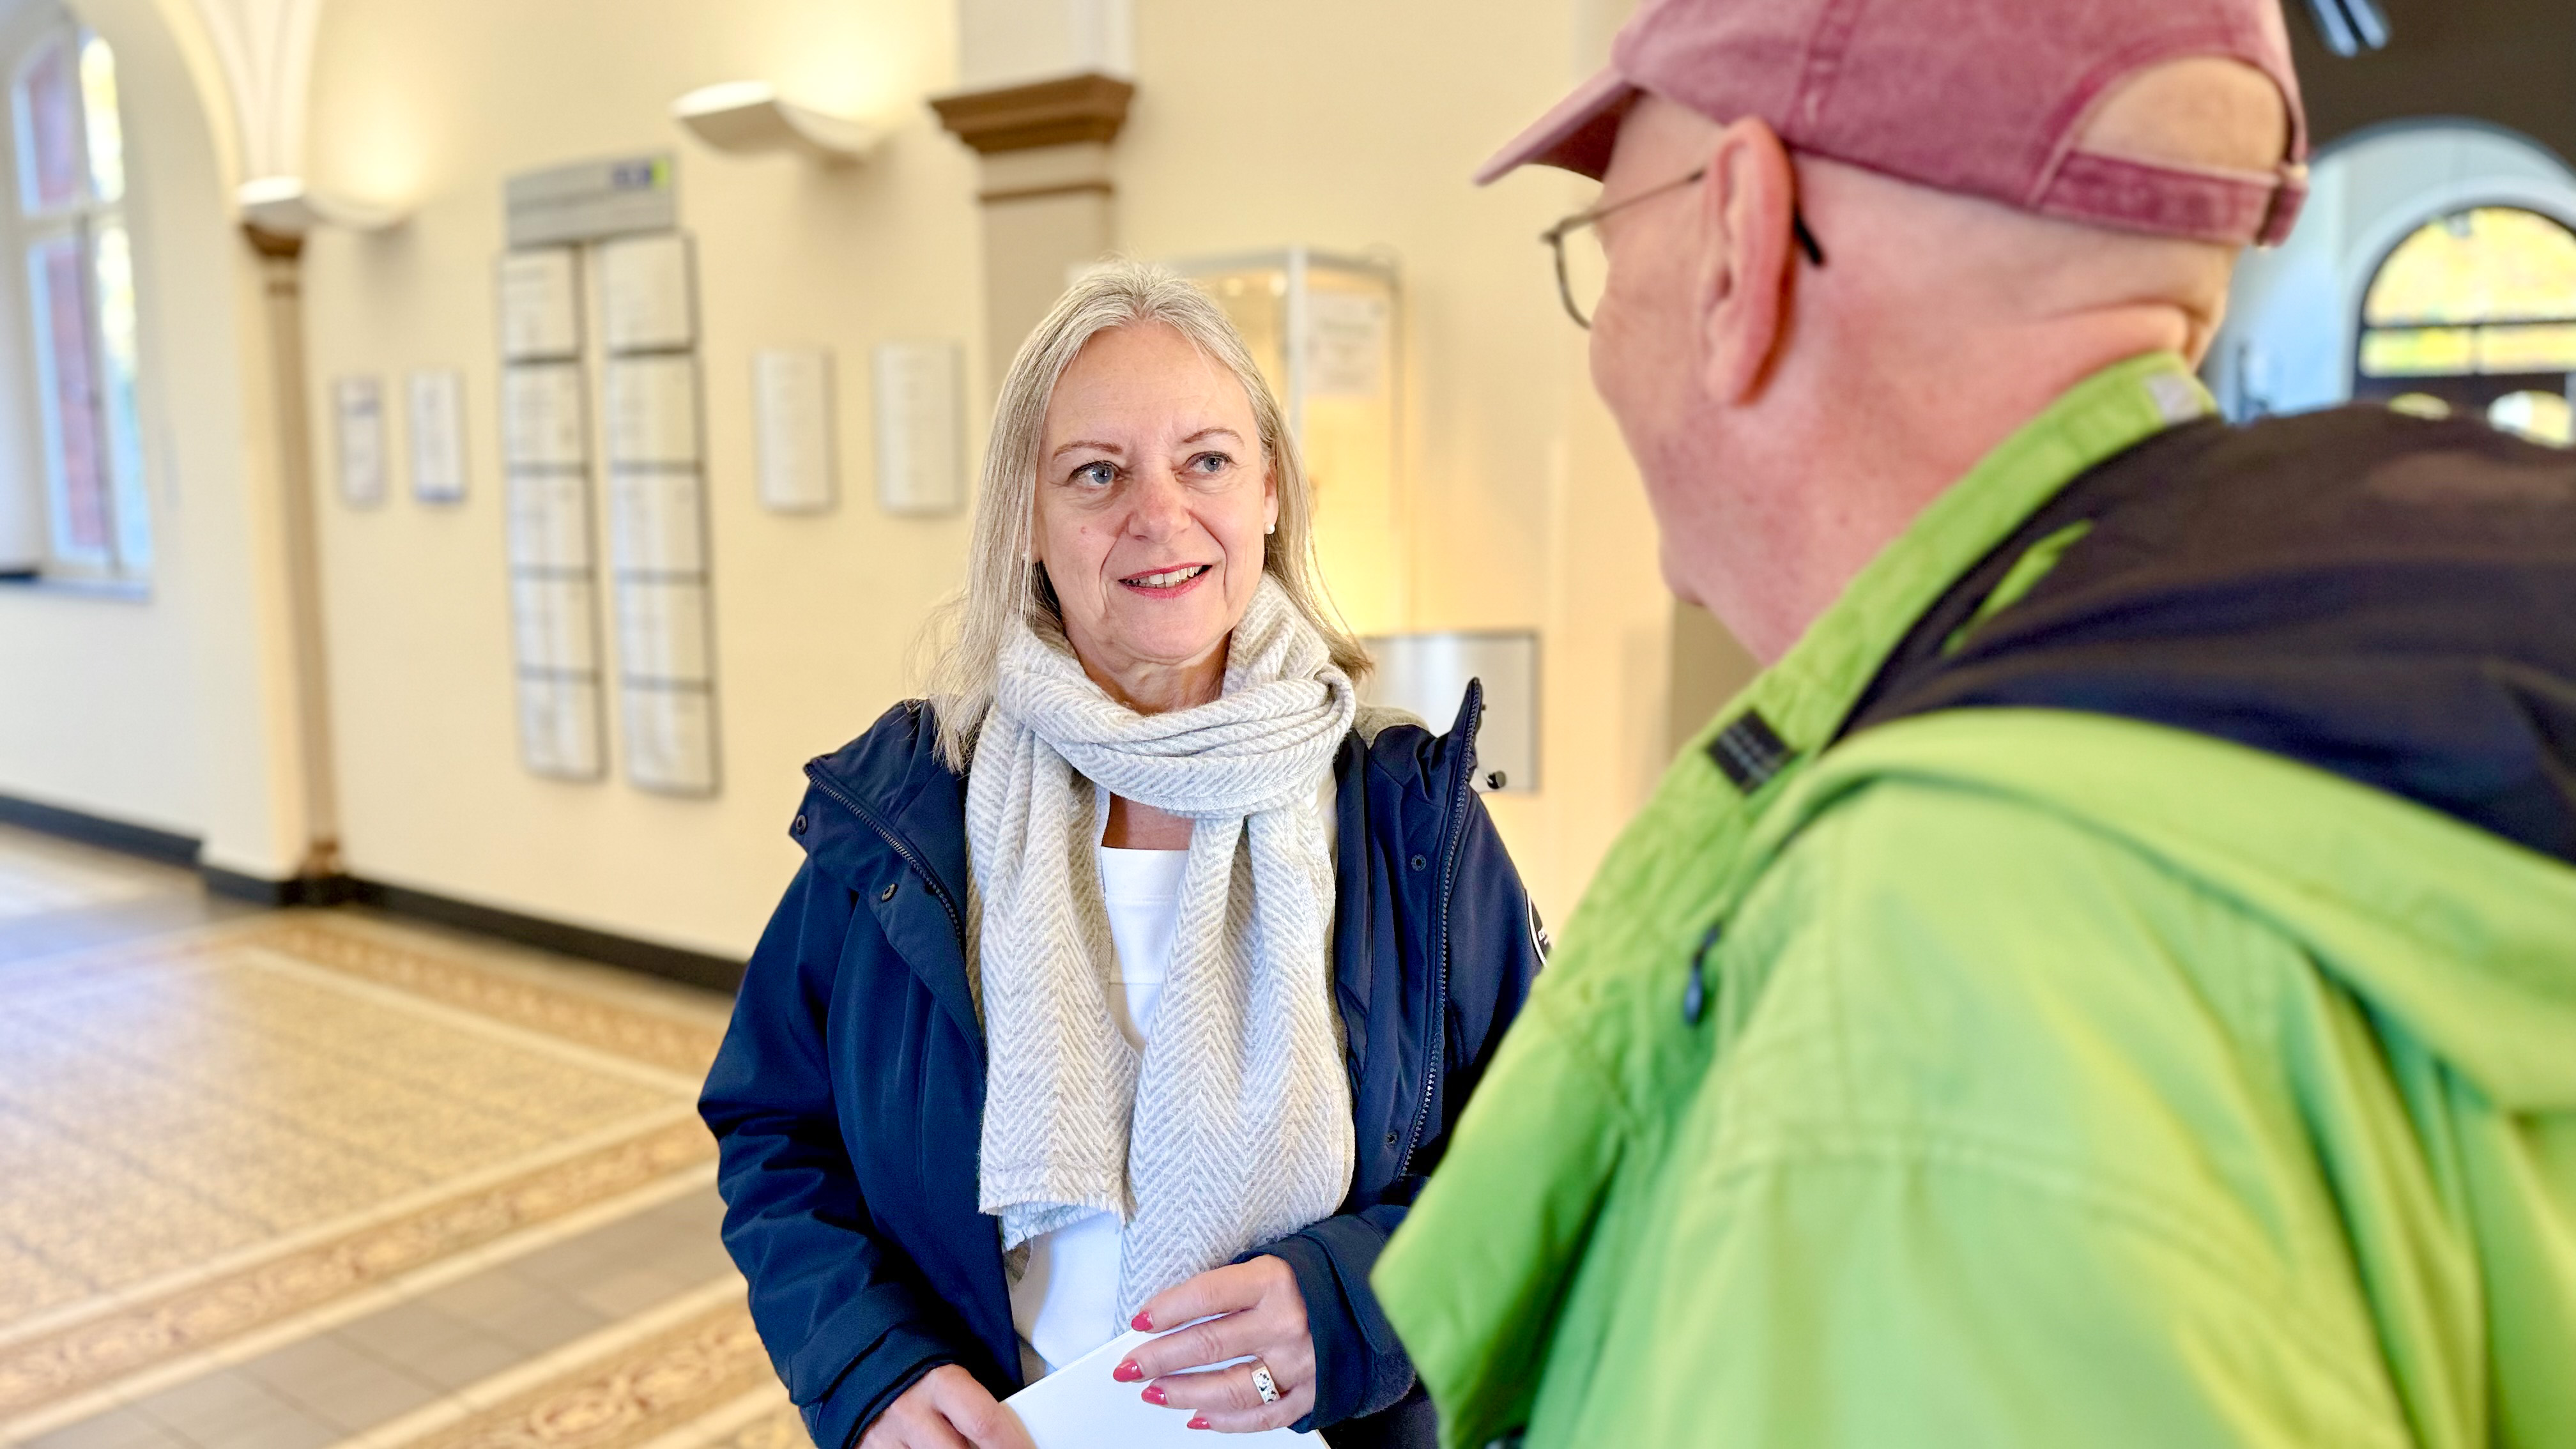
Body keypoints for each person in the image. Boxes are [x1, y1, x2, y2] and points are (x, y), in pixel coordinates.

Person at [1372, 1, 2576, 1446]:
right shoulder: (2368, 712)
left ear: (1743, 245)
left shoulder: (1941, 962)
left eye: (1610, 242)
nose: (1603, 331)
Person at [700, 261, 1544, 1449]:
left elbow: (1545, 1159)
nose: (1159, 515)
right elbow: (776, 1134)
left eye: (1205, 460)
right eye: (1096, 473)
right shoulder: (913, 809)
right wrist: (868, 1368)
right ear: (1029, 524)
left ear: (1268, 498)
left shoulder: (1408, 820)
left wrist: (1357, 1305)